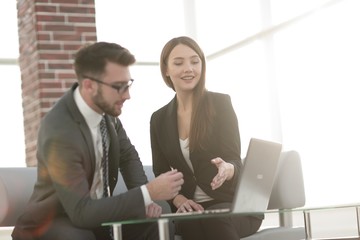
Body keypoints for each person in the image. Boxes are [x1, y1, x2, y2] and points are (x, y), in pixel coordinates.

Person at [12, 41, 184, 240]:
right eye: (119, 87)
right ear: (89, 85)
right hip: (55, 221)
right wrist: (148, 192)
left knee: (156, 222)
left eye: (128, 84)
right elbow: (81, 212)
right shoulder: (60, 131)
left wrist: (146, 200)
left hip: (94, 215)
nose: (128, 95)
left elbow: (127, 156)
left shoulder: (107, 115)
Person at [150, 36, 263, 240]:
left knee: (213, 220)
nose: (188, 68)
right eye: (178, 63)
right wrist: (178, 199)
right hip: (192, 208)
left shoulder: (220, 104)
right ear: (166, 69)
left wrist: (227, 170)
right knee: (191, 224)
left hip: (233, 203)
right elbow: (161, 170)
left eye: (195, 61)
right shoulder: (158, 119)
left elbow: (233, 159)